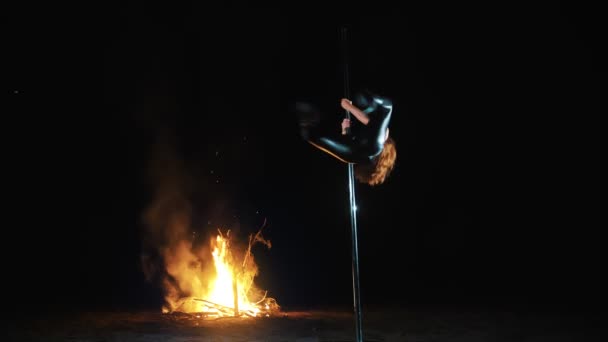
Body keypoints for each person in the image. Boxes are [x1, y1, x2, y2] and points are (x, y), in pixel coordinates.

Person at [296, 91, 397, 186]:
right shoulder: (367, 154)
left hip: (360, 149)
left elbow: (369, 123)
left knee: (387, 107)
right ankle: (307, 125)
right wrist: (345, 129)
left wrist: (349, 106)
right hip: (353, 155)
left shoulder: (381, 139)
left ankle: (371, 100)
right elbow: (350, 144)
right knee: (312, 135)